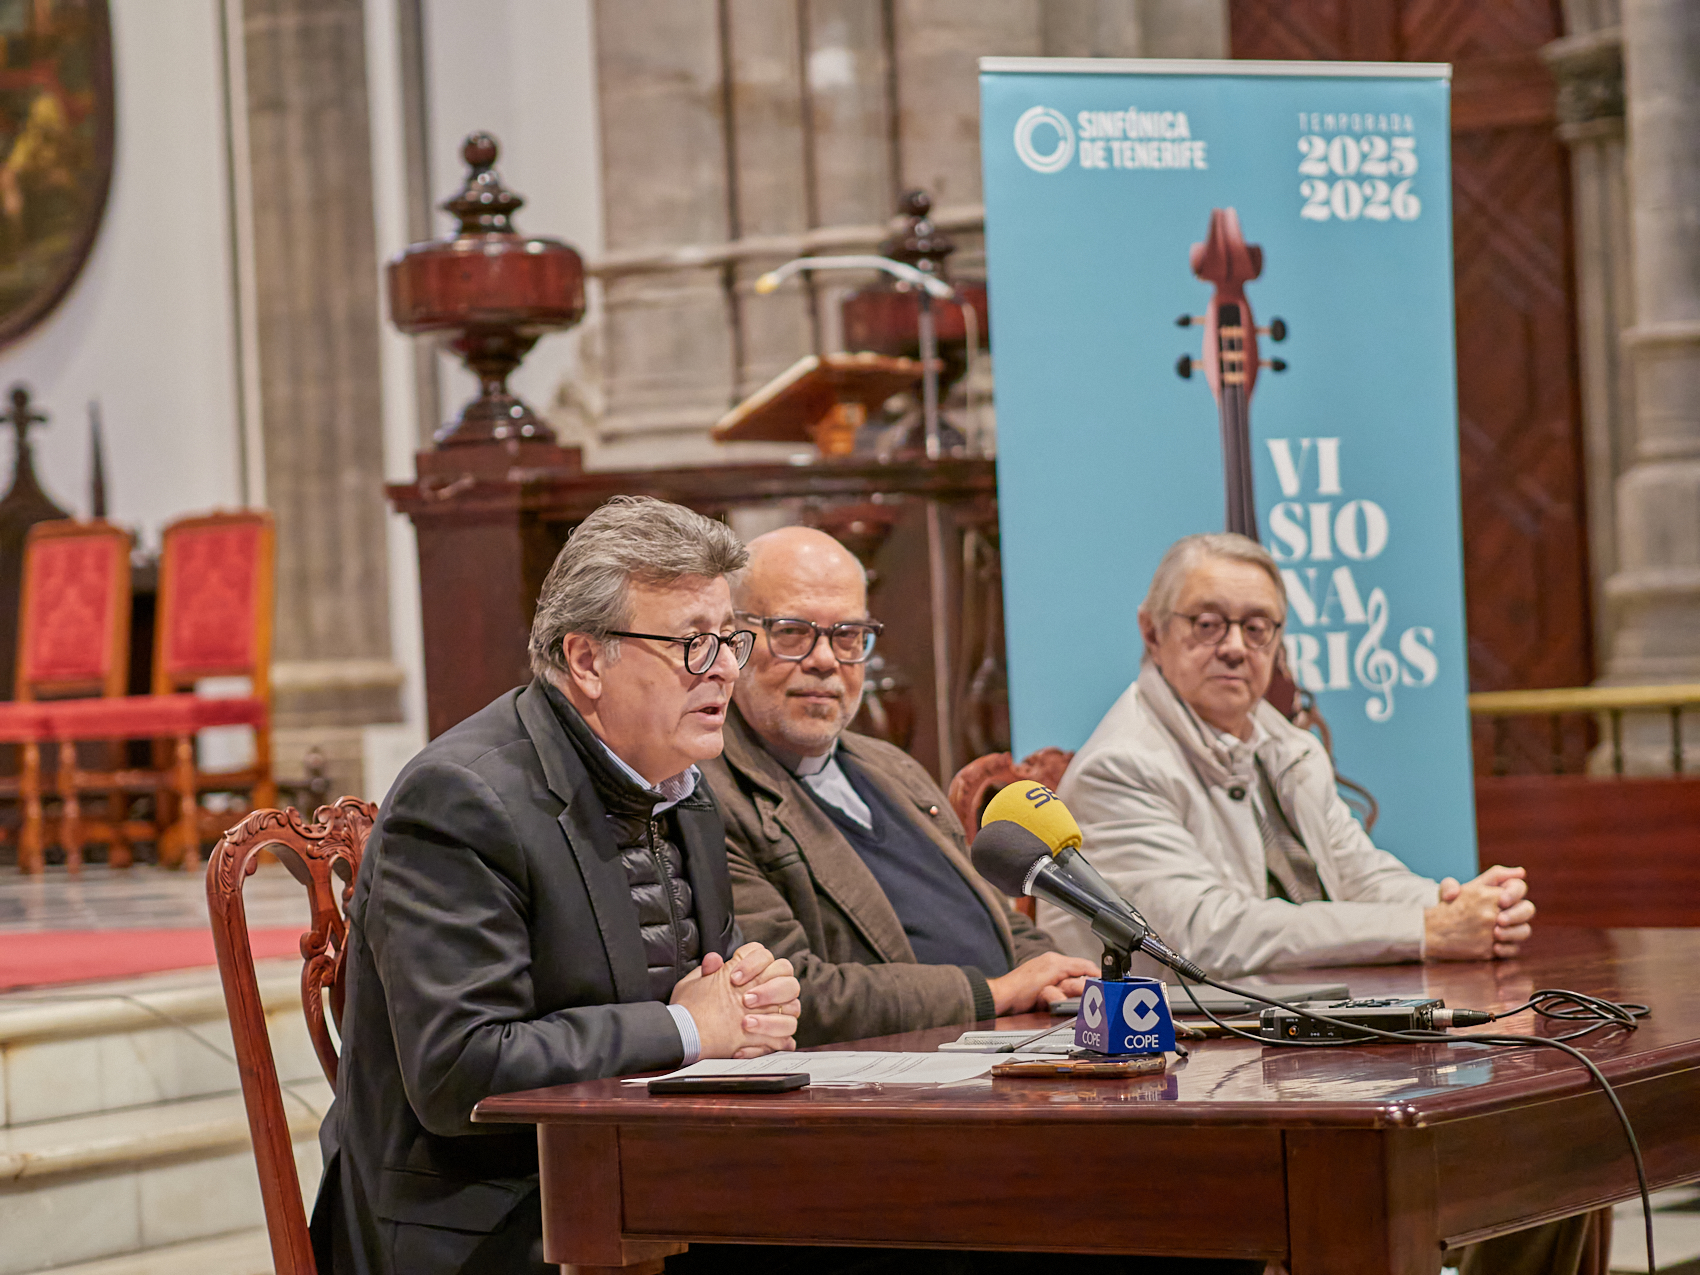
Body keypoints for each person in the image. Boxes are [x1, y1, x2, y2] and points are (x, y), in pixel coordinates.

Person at [311, 496, 801, 1275]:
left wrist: (752, 992)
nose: (728, 669)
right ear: (585, 659)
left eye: (731, 638)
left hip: (640, 1186)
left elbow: (701, 978)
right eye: (693, 644)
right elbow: (459, 1068)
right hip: (484, 1224)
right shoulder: (462, 798)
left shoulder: (680, 782)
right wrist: (688, 1032)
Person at [1041, 532, 1537, 978]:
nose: (1235, 647)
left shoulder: (1287, 746)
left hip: (1295, 1020)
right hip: (1172, 1051)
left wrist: (1466, 906)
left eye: (1258, 628)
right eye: (1208, 624)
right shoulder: (1120, 766)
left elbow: (1359, 873)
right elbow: (1208, 937)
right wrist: (1427, 928)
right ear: (1152, 633)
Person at [701, 525, 1100, 1047]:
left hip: (1014, 1041)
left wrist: (1050, 973)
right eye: (793, 631)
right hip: (893, 1079)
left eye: (847, 636)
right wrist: (994, 992)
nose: (825, 660)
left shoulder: (891, 767)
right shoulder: (710, 794)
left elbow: (998, 920)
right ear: (735, 637)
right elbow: (793, 989)